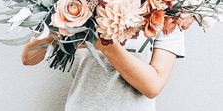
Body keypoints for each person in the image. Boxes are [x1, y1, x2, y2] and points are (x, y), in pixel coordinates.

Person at [21, 28, 185, 111]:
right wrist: (61, 24)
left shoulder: (167, 8)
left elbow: (152, 86)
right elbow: (29, 57)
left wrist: (106, 45)